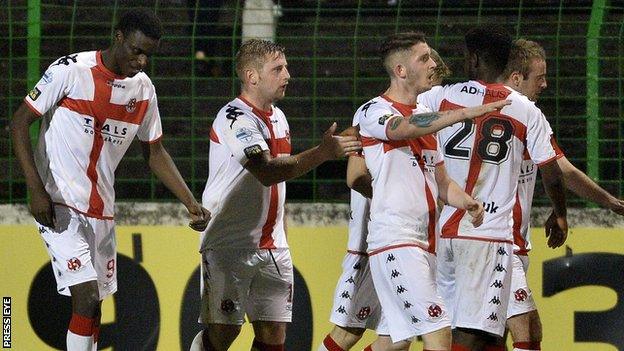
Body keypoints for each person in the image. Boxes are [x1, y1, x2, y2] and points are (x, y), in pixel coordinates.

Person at [9, 9, 210, 351]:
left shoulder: (143, 91)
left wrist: (191, 203)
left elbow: (155, 152)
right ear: (118, 37)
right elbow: (18, 123)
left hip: (101, 209)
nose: (142, 60)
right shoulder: (71, 70)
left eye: (149, 54)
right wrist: (35, 188)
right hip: (59, 204)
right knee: (86, 296)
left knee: (96, 305)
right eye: (137, 50)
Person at [191, 39, 361, 351]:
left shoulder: (278, 116)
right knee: (224, 335)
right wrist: (323, 153)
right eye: (278, 69)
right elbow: (267, 171)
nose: (287, 75)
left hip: (273, 246)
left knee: (273, 337)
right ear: (251, 76)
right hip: (231, 244)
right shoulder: (234, 117)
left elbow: (283, 174)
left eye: (286, 67)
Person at [357, 32, 511, 351]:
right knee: (439, 334)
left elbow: (442, 184)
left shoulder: (427, 125)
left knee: (393, 343)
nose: (433, 64)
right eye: (423, 58)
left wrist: (468, 202)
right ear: (400, 71)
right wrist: (464, 113)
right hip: (396, 241)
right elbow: (403, 127)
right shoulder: (375, 110)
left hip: (426, 244)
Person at [417, 25, 568, 351]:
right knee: (478, 334)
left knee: (470, 330)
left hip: (447, 232)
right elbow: (553, 173)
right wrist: (560, 213)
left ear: (473, 59)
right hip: (487, 233)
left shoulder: (440, 97)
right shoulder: (525, 109)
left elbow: (401, 114)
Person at [317, 46, 455, 351]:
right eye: (429, 70)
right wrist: (399, 195)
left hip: (409, 240)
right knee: (349, 332)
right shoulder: (376, 113)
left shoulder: (422, 111)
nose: (434, 79)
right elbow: (355, 176)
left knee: (396, 340)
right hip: (378, 240)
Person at [501, 38, 624, 351]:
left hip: (507, 241)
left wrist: (609, 202)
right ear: (516, 78)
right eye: (539, 77)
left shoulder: (510, 114)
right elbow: (556, 172)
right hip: (496, 242)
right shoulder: (519, 113)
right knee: (528, 330)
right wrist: (561, 213)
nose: (546, 84)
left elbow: (563, 169)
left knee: (489, 335)